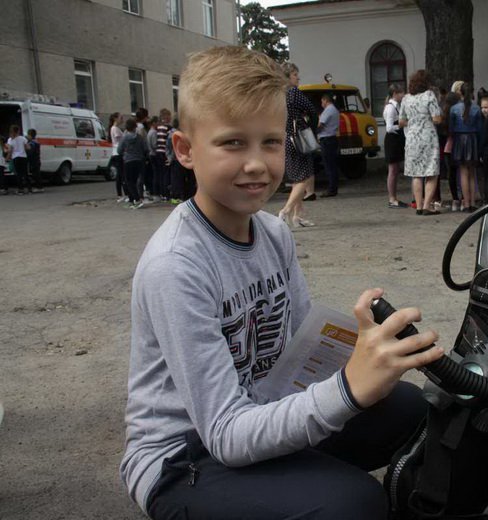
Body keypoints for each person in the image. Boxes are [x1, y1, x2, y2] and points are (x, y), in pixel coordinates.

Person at [120, 46, 444, 520]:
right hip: (185, 456)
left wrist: (363, 352)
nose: (257, 164)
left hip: (261, 406)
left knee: (415, 411)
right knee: (353, 505)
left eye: (271, 143)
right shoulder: (176, 265)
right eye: (233, 143)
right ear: (185, 150)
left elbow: (298, 356)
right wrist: (349, 390)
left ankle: (301, 483)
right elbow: (227, 435)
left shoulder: (273, 232)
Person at [278, 62, 318, 227]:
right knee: (305, 177)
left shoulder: (279, 94)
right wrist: (311, 128)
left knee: (296, 178)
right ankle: (286, 211)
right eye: (295, 74)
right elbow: (312, 111)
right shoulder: (294, 92)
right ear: (288, 77)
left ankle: (297, 216)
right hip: (299, 138)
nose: (298, 77)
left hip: (286, 138)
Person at [399, 69, 442, 216]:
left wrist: (414, 121)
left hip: (412, 138)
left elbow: (401, 121)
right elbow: (437, 118)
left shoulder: (405, 98)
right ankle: (426, 206)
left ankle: (418, 206)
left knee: (416, 174)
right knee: (431, 172)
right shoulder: (429, 95)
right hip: (428, 137)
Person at [449, 82, 482, 212]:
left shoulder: (454, 109)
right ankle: (473, 202)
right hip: (473, 139)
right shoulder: (476, 108)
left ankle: (466, 203)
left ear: (460, 93)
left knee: (463, 172)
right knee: (472, 173)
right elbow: (480, 129)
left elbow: (451, 128)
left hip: (459, 139)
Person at [383, 84, 408, 208]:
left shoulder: (397, 106)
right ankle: (392, 199)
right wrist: (401, 125)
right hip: (392, 140)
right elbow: (389, 128)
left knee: (395, 170)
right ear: (394, 94)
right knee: (392, 170)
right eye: (401, 93)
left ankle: (394, 197)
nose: (403, 95)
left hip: (397, 140)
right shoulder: (391, 108)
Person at [117, 117, 149, 209]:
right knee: (134, 181)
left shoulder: (124, 138)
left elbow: (119, 150)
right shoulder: (140, 137)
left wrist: (125, 152)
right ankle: (133, 200)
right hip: (139, 161)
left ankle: (137, 199)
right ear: (135, 127)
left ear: (127, 128)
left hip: (128, 161)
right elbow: (145, 148)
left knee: (129, 182)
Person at [317, 93, 340, 198]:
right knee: (332, 164)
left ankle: (331, 189)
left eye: (322, 102)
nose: (321, 104)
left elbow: (321, 125)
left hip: (326, 139)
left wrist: (314, 131)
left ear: (325, 100)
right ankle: (333, 188)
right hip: (332, 138)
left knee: (329, 165)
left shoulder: (328, 110)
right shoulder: (334, 109)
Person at [6, 125, 30, 195]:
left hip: (16, 158)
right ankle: (29, 189)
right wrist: (22, 149)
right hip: (23, 157)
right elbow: (28, 147)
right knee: (25, 173)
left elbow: (10, 150)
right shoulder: (23, 138)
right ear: (18, 131)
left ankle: (20, 190)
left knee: (18, 174)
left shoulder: (10, 140)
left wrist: (7, 158)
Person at [109, 112, 127, 202]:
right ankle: (122, 194)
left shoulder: (115, 128)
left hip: (116, 153)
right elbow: (120, 140)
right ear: (115, 118)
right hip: (118, 153)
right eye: (121, 117)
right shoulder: (115, 129)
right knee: (121, 174)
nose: (122, 119)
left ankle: (120, 194)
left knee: (120, 175)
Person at [25, 129, 44, 193]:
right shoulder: (35, 142)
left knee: (36, 174)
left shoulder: (33, 143)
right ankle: (39, 186)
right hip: (36, 160)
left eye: (28, 135)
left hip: (34, 160)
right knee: (36, 173)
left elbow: (30, 152)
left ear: (30, 135)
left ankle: (39, 187)